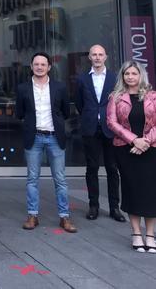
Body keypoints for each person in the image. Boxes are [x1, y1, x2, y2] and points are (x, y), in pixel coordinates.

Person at [16, 52, 77, 233]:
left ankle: (64, 217)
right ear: (31, 66)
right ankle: (32, 215)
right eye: (36, 64)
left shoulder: (59, 87)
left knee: (60, 179)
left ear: (49, 67)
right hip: (33, 137)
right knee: (32, 179)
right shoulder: (23, 88)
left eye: (43, 64)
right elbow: (20, 112)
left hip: (54, 137)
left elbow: (65, 111)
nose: (40, 67)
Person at [106, 61, 156, 253]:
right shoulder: (116, 97)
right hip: (126, 150)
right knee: (132, 190)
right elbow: (112, 123)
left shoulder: (152, 96)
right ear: (123, 76)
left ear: (140, 75)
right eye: (127, 74)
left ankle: (150, 235)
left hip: (150, 150)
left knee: (151, 193)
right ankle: (136, 233)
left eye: (134, 73)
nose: (130, 77)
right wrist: (135, 140)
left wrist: (145, 142)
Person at [74, 45, 125, 222]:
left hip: (111, 128)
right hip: (90, 128)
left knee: (112, 168)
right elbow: (80, 104)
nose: (97, 57)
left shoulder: (115, 78)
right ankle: (93, 206)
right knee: (92, 168)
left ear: (106, 57)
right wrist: (91, 117)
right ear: (89, 57)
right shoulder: (81, 79)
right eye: (94, 54)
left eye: (100, 54)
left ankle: (114, 208)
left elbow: (120, 103)